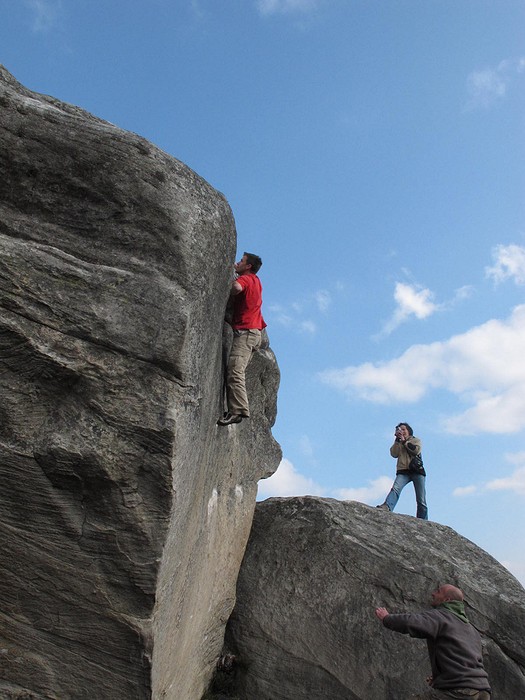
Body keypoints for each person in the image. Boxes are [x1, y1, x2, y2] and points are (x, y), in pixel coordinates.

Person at [375, 584, 491, 699]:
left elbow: (411, 622)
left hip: (461, 689)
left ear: (447, 600)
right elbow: (465, 657)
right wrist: (442, 676)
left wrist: (387, 618)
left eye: (438, 591)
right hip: (482, 691)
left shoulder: (441, 616)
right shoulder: (470, 629)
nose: (433, 593)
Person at [217, 252, 266, 426]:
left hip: (247, 333)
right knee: (236, 369)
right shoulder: (257, 282)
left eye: (241, 261)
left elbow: (237, 288)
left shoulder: (246, 279)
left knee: (235, 370)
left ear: (248, 267)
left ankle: (238, 411)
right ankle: (236, 409)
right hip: (252, 333)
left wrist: (226, 286)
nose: (237, 263)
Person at [377, 422, 428, 519]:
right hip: (403, 471)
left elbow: (416, 450)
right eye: (399, 430)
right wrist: (397, 440)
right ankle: (387, 506)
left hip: (416, 470)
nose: (401, 431)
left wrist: (405, 442)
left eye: (403, 429)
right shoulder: (398, 442)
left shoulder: (415, 440)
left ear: (409, 431)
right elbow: (394, 454)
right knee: (395, 489)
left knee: (421, 498)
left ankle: (423, 519)